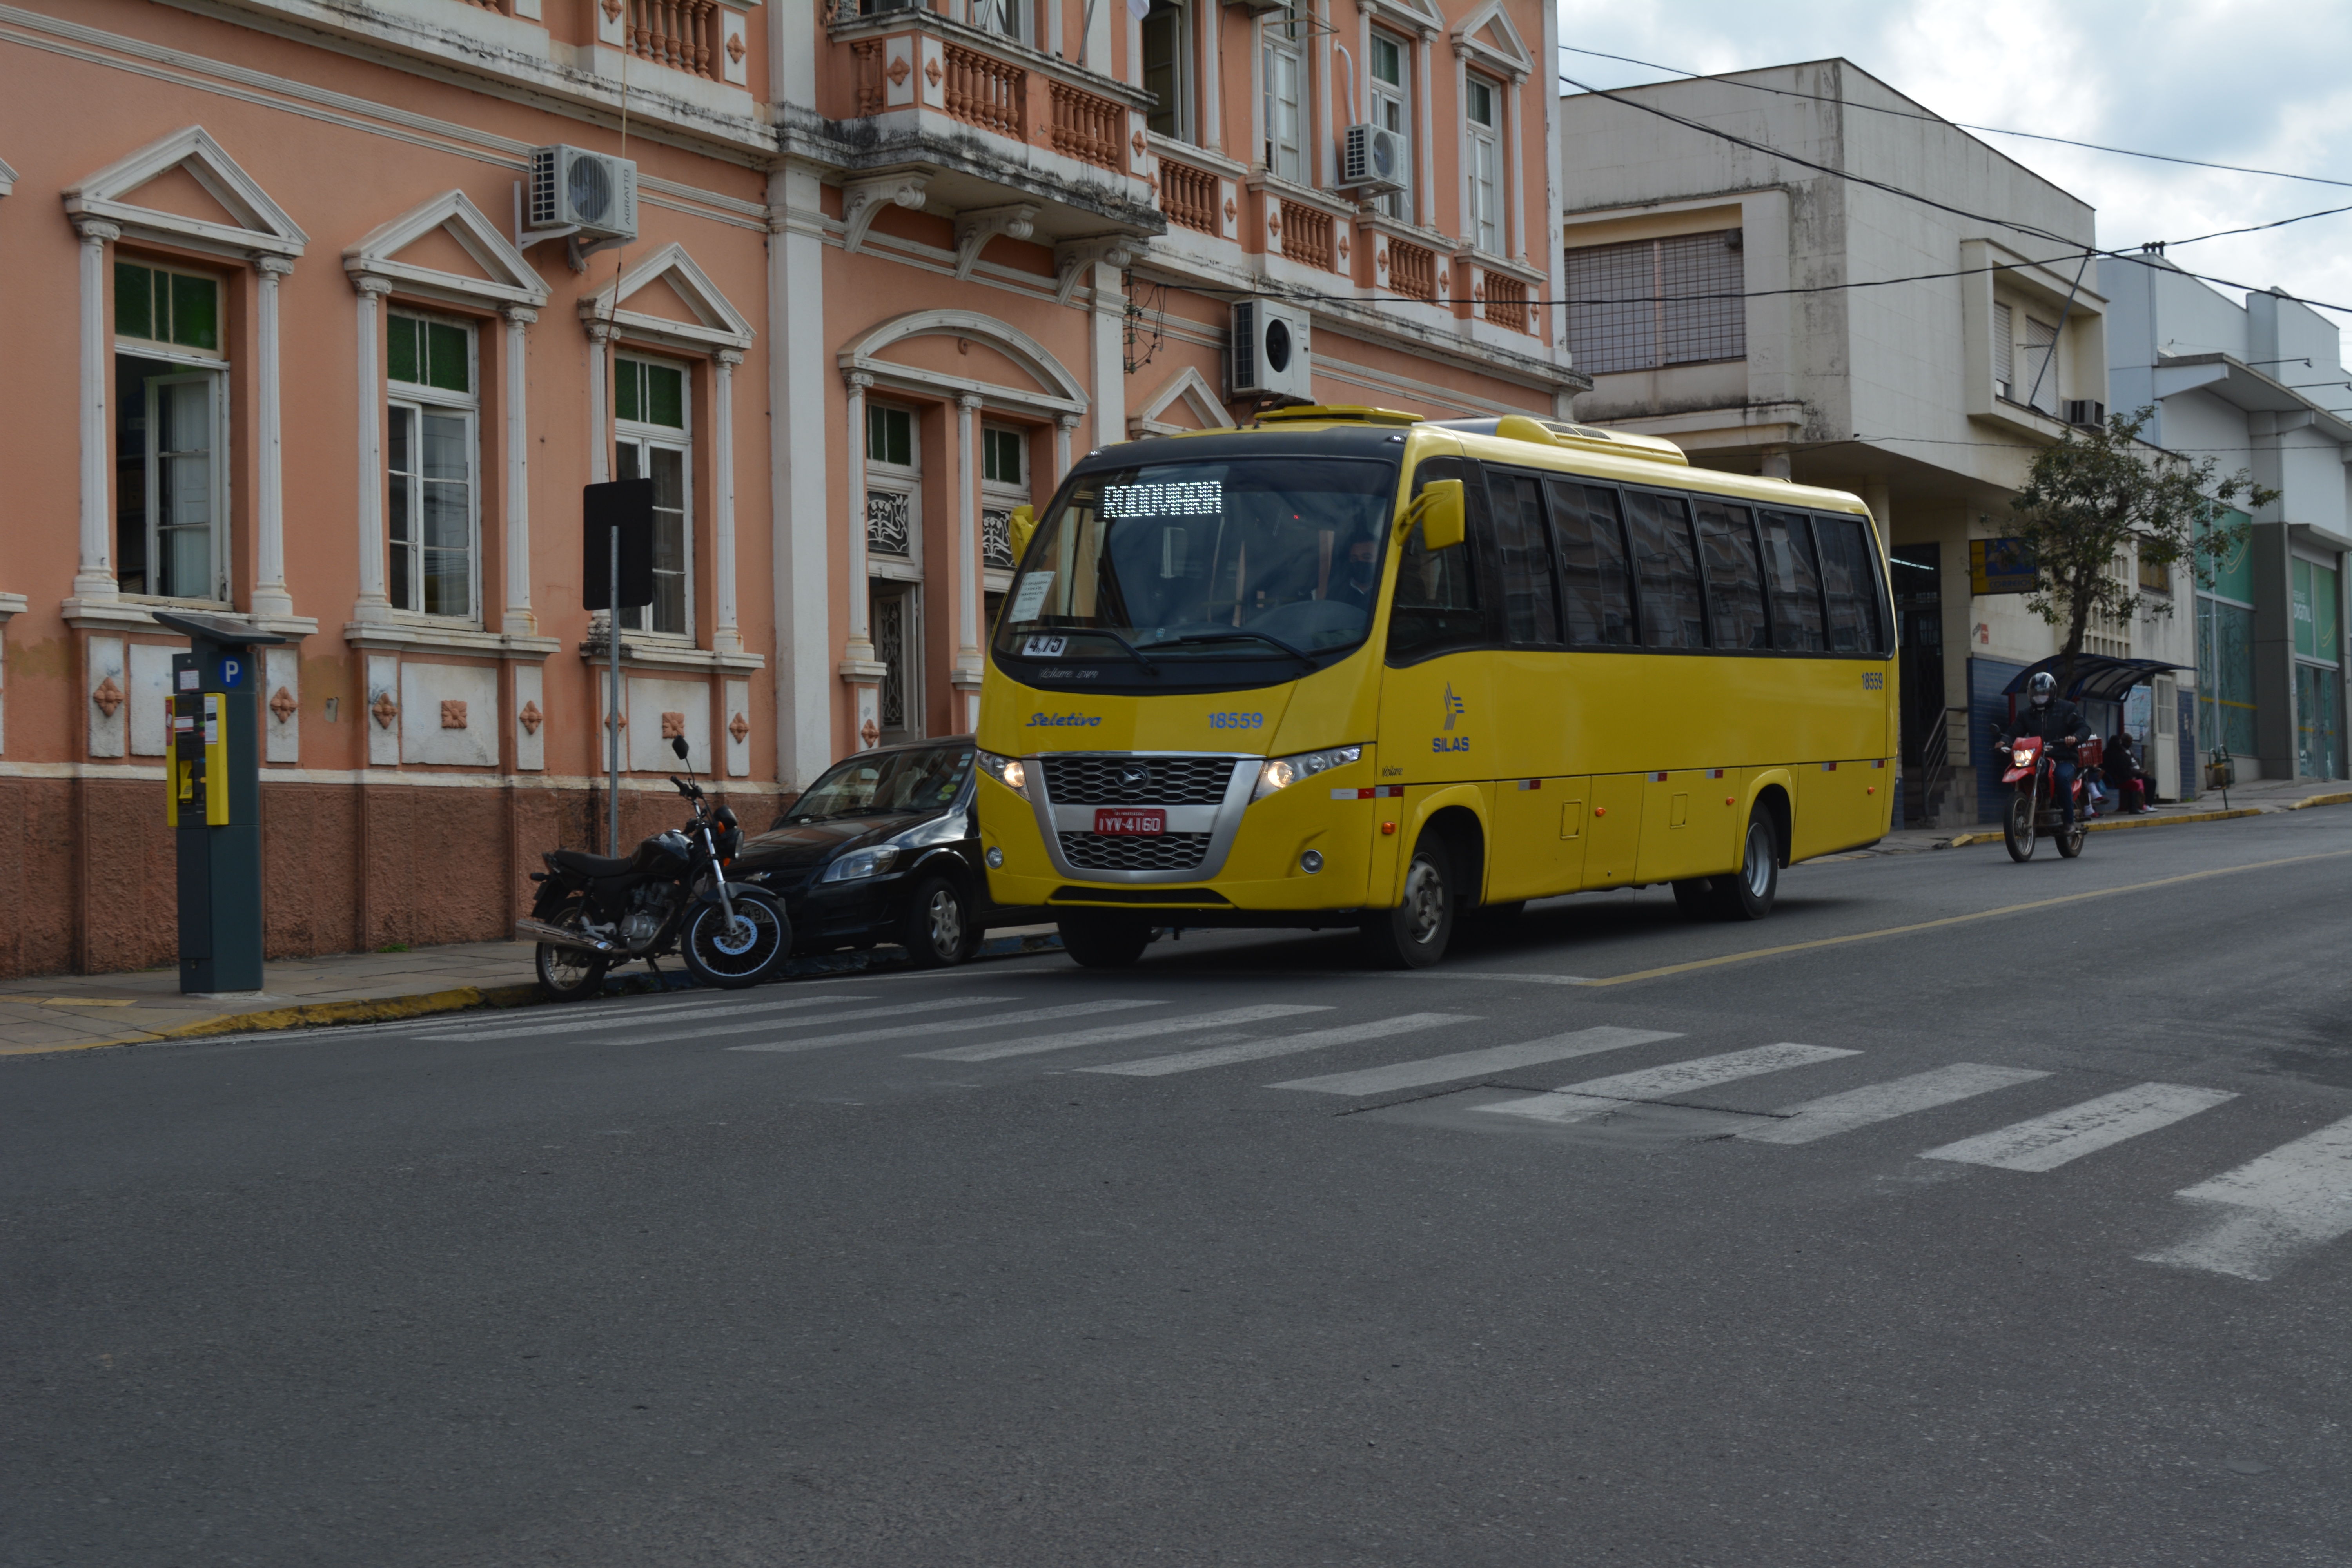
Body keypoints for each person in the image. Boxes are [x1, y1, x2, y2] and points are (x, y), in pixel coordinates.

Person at [2000, 671, 2092, 827]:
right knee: (2020, 770)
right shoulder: (2026, 714)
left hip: (2064, 758)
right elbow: (2014, 732)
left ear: (2052, 692)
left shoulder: (2067, 708)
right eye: (2036, 694)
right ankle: (2025, 805)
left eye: (2044, 693)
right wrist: (2004, 741)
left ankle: (2069, 821)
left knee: (2061, 778)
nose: (2040, 697)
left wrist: (2075, 738)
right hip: (2039, 759)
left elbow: (2084, 728)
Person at [2108, 729, 2149, 814]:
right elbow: (2123, 770)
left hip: (2116, 778)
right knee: (2135, 785)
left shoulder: (2111, 753)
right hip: (2118, 779)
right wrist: (2131, 777)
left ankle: (2134, 807)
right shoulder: (2119, 754)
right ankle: (2133, 809)